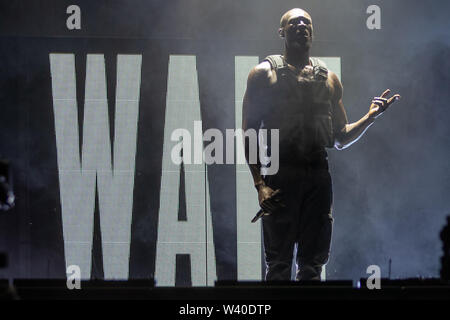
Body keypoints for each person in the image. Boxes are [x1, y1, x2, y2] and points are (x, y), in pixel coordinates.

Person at [242, 8, 400, 281]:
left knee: (312, 268)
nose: (302, 25)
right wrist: (260, 185)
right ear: (282, 32)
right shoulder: (263, 74)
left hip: (318, 176)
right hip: (282, 174)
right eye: (294, 22)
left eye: (307, 22)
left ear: (312, 32)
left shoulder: (328, 79)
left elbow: (339, 138)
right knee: (278, 266)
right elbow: (248, 132)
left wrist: (370, 118)